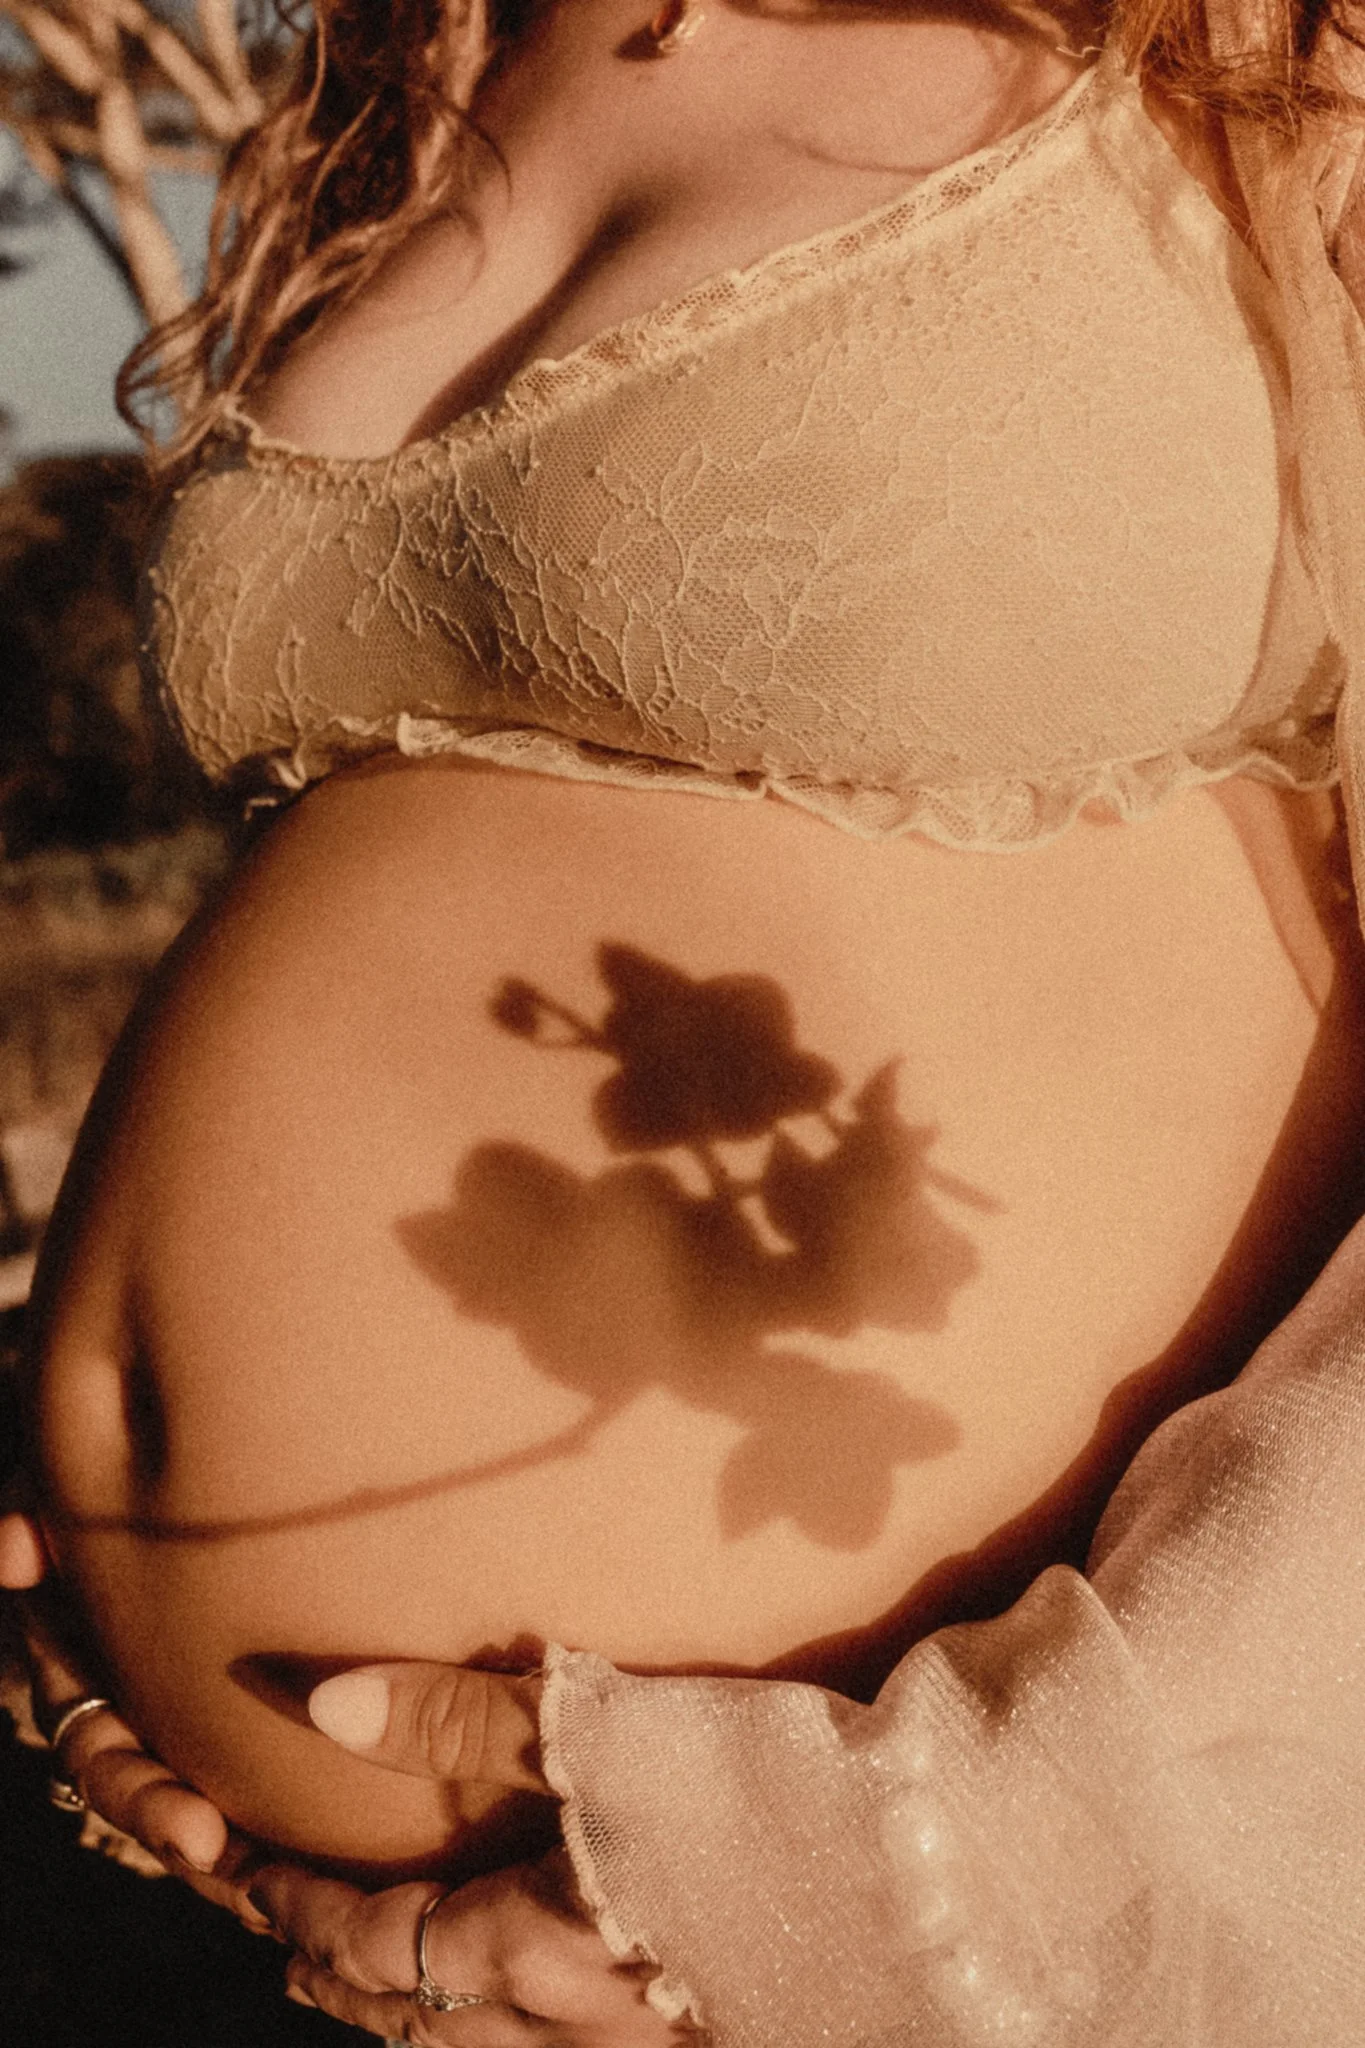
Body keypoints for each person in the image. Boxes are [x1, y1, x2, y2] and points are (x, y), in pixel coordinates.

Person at [5, 0, 1365, 2035]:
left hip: (843, 1948)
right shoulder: (445, 52)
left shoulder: (1272, 56)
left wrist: (932, 1862)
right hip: (183, 1874)